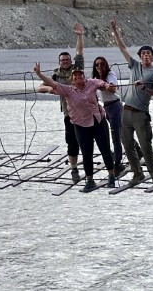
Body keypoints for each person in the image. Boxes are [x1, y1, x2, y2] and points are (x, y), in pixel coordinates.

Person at [32, 60, 117, 192]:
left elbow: (102, 84)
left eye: (80, 75)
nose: (78, 77)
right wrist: (39, 74)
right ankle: (90, 180)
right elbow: (52, 83)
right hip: (80, 124)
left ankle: (112, 176)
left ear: (84, 76)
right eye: (75, 76)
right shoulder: (68, 90)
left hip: (98, 121)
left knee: (105, 149)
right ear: (72, 79)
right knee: (86, 153)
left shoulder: (91, 83)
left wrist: (108, 86)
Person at [108, 18, 153, 185]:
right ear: (140, 57)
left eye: (149, 54)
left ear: (152, 57)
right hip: (126, 111)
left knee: (145, 145)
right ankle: (137, 174)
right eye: (143, 54)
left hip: (140, 113)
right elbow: (123, 48)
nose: (146, 56)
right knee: (127, 145)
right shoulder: (134, 66)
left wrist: (145, 88)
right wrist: (115, 32)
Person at [43, 24, 86, 183]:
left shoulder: (77, 69)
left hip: (85, 111)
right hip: (69, 113)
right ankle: (74, 169)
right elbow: (40, 86)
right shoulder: (56, 75)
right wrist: (51, 89)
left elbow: (79, 52)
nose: (66, 62)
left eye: (67, 60)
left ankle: (106, 160)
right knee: (72, 142)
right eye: (63, 60)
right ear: (59, 62)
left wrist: (80, 36)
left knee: (91, 137)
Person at [92, 54, 125, 170]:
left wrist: (103, 86)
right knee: (114, 133)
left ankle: (118, 163)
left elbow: (113, 88)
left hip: (115, 105)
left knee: (116, 135)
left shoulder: (111, 74)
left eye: (101, 64)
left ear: (105, 65)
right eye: (97, 65)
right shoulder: (95, 79)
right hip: (105, 107)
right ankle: (135, 149)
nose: (99, 66)